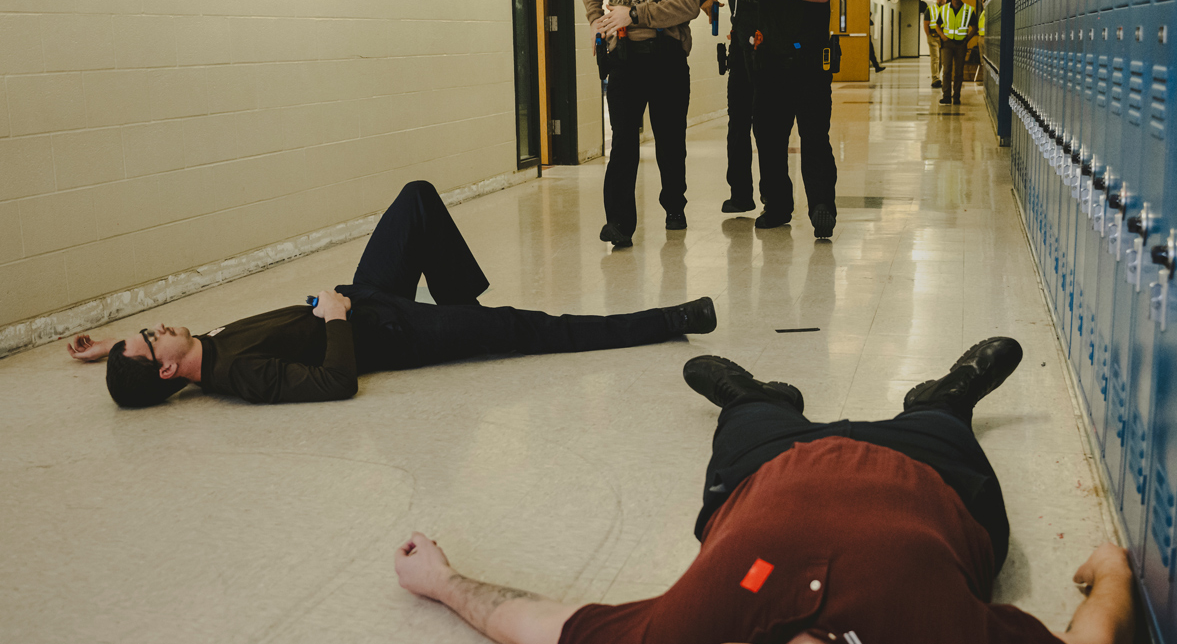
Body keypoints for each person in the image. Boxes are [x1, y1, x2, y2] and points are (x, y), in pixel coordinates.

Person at [394, 337, 1136, 644]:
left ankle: (751, 395)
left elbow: (535, 628)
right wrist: (1112, 574)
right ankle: (946, 396)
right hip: (932, 477)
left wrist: (442, 582)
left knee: (752, 419)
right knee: (939, 421)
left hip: (762, 470)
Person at [69, 181, 718, 407]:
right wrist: (336, 319)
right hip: (389, 331)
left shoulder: (207, 349)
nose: (159, 326)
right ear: (165, 366)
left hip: (368, 295)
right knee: (535, 329)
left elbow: (153, 357)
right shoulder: (241, 376)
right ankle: (671, 318)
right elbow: (335, 383)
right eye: (152, 338)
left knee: (417, 199)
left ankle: (467, 312)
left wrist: (106, 349)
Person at [582, 0, 701, 247]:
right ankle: (619, 224)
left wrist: (635, 13)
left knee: (669, 142)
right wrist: (594, 20)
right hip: (624, 61)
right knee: (622, 144)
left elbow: (690, 3)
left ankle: (674, 205)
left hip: (665, 59)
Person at [722, 0, 838, 240]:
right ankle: (776, 207)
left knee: (815, 139)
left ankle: (822, 207)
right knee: (770, 142)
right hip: (769, 68)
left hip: (810, 68)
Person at [693, 0, 766, 215]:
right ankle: (740, 195)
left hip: (769, 58)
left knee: (767, 128)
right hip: (739, 58)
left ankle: (773, 199)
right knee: (737, 126)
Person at [936, 0, 978, 105]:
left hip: (961, 44)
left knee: (959, 71)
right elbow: (937, 26)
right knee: (947, 70)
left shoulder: (968, 10)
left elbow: (975, 28)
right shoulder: (944, 9)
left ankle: (956, 96)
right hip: (948, 43)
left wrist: (967, 40)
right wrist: (943, 37)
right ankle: (947, 96)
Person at [921, 0, 946, 89]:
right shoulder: (930, 9)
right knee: (935, 58)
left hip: (944, 37)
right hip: (933, 37)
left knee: (942, 59)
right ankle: (935, 79)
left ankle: (938, 77)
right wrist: (929, 36)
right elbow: (926, 24)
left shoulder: (948, 9)